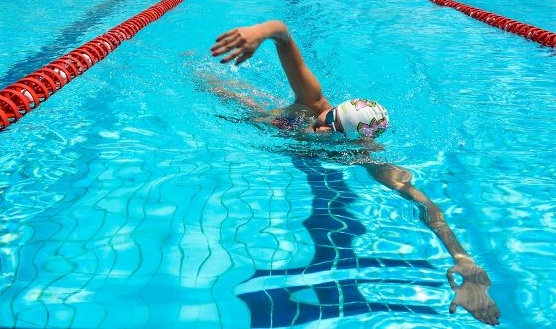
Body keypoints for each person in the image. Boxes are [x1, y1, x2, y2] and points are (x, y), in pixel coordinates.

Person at [210, 20, 500, 326]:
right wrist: (261, 33)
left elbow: (424, 203)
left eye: (334, 130)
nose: (321, 127)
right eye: (329, 117)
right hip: (247, 109)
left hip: (283, 137)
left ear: (354, 141)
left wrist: (463, 261)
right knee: (229, 93)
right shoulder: (312, 103)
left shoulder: (362, 156)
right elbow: (282, 32)